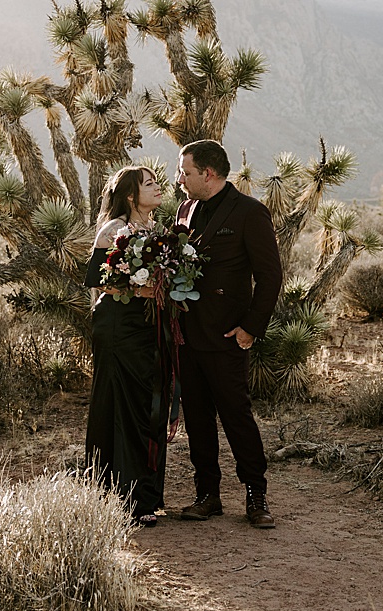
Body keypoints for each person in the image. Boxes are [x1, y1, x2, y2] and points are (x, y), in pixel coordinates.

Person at [173, 139, 283, 528]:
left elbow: (270, 277)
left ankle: (256, 495)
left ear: (208, 173)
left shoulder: (250, 212)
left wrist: (251, 329)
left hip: (227, 336)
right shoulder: (185, 209)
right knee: (198, 420)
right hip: (188, 334)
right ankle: (208, 495)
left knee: (237, 416)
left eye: (186, 172)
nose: (179, 179)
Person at [82, 166, 172, 526]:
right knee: (122, 406)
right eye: (149, 184)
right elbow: (95, 279)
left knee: (149, 405)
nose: (157, 187)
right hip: (119, 328)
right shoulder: (114, 229)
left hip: (150, 327)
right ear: (132, 195)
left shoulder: (157, 232)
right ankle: (121, 498)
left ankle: (145, 495)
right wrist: (139, 289)